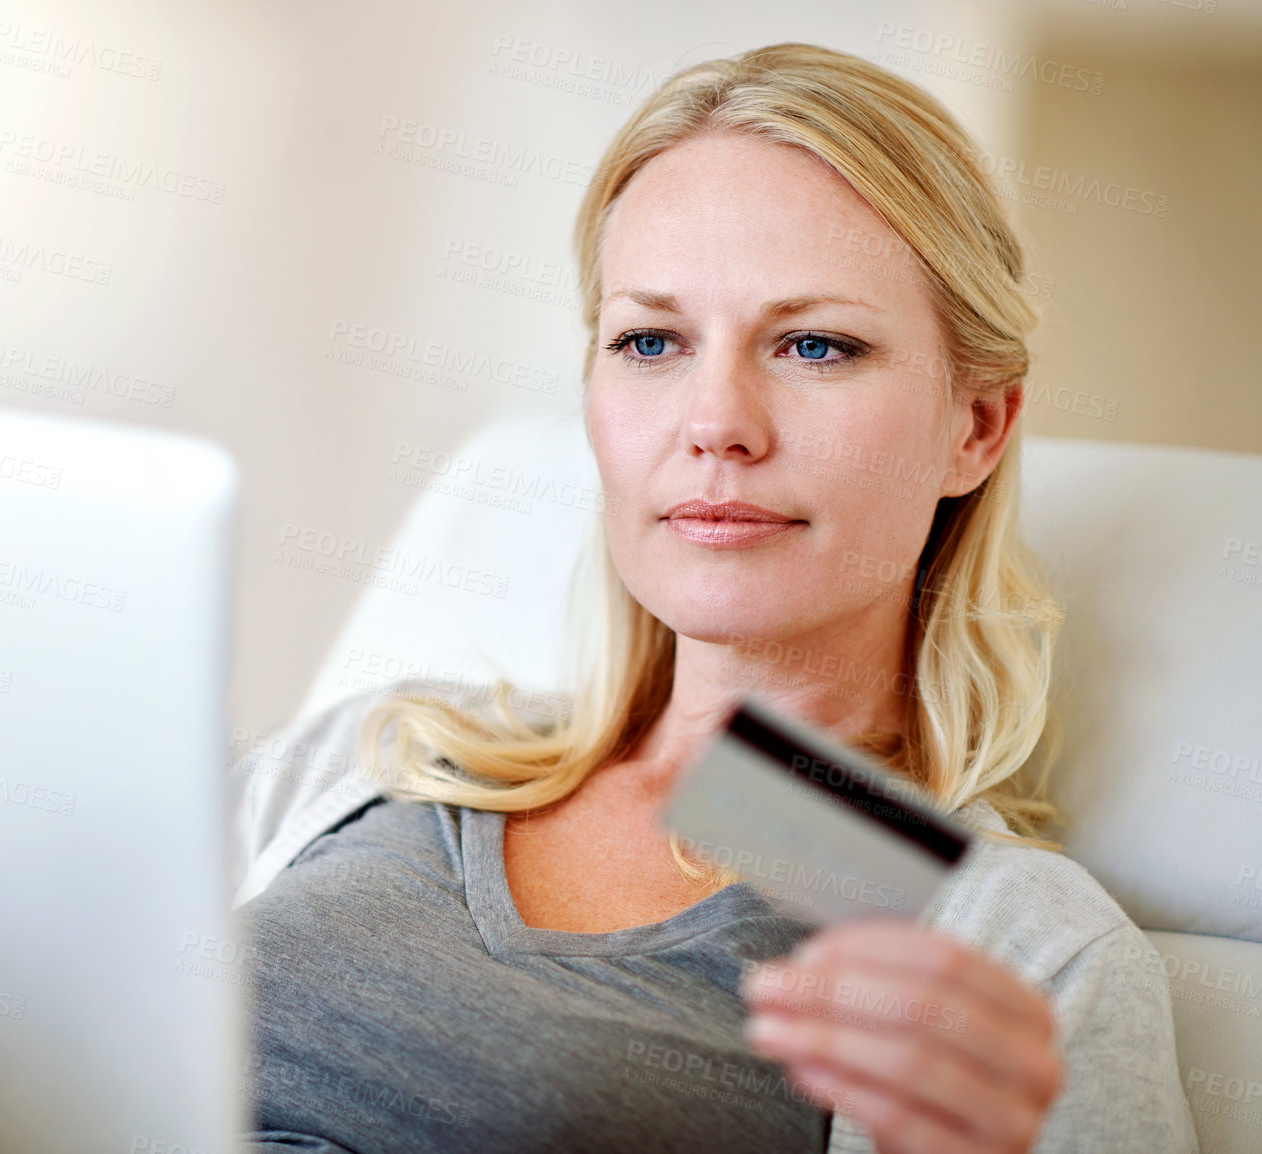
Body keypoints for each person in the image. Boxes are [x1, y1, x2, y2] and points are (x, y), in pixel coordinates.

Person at [227, 42, 1199, 1154]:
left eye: (815, 344)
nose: (716, 421)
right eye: (650, 340)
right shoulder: (379, 752)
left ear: (973, 427)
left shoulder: (998, 938)